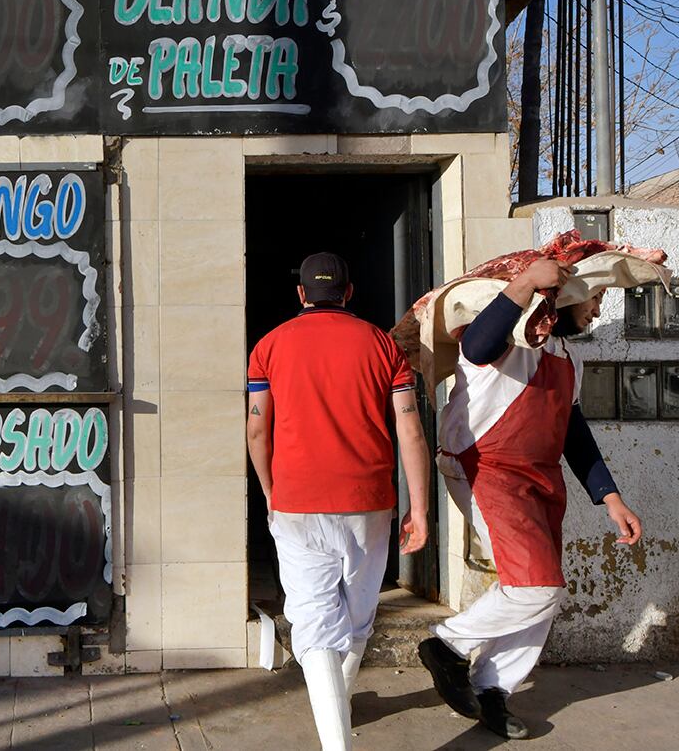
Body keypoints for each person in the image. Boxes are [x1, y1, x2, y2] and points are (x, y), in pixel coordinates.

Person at [418, 258, 644, 740]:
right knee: (535, 587)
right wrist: (524, 283)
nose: (598, 312)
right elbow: (478, 345)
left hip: (540, 479)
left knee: (543, 592)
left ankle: (493, 690)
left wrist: (610, 497)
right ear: (565, 295)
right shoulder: (509, 337)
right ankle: (446, 645)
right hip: (485, 468)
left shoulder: (568, 356)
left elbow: (573, 431)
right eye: (596, 298)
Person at [247, 252, 431, 751]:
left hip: (298, 501)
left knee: (315, 621)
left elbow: (258, 427)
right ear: (348, 293)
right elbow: (410, 428)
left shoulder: (269, 347)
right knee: (355, 618)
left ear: (302, 294)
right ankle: (337, 708)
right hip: (369, 502)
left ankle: (336, 737)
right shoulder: (383, 347)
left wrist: (268, 489)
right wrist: (420, 506)